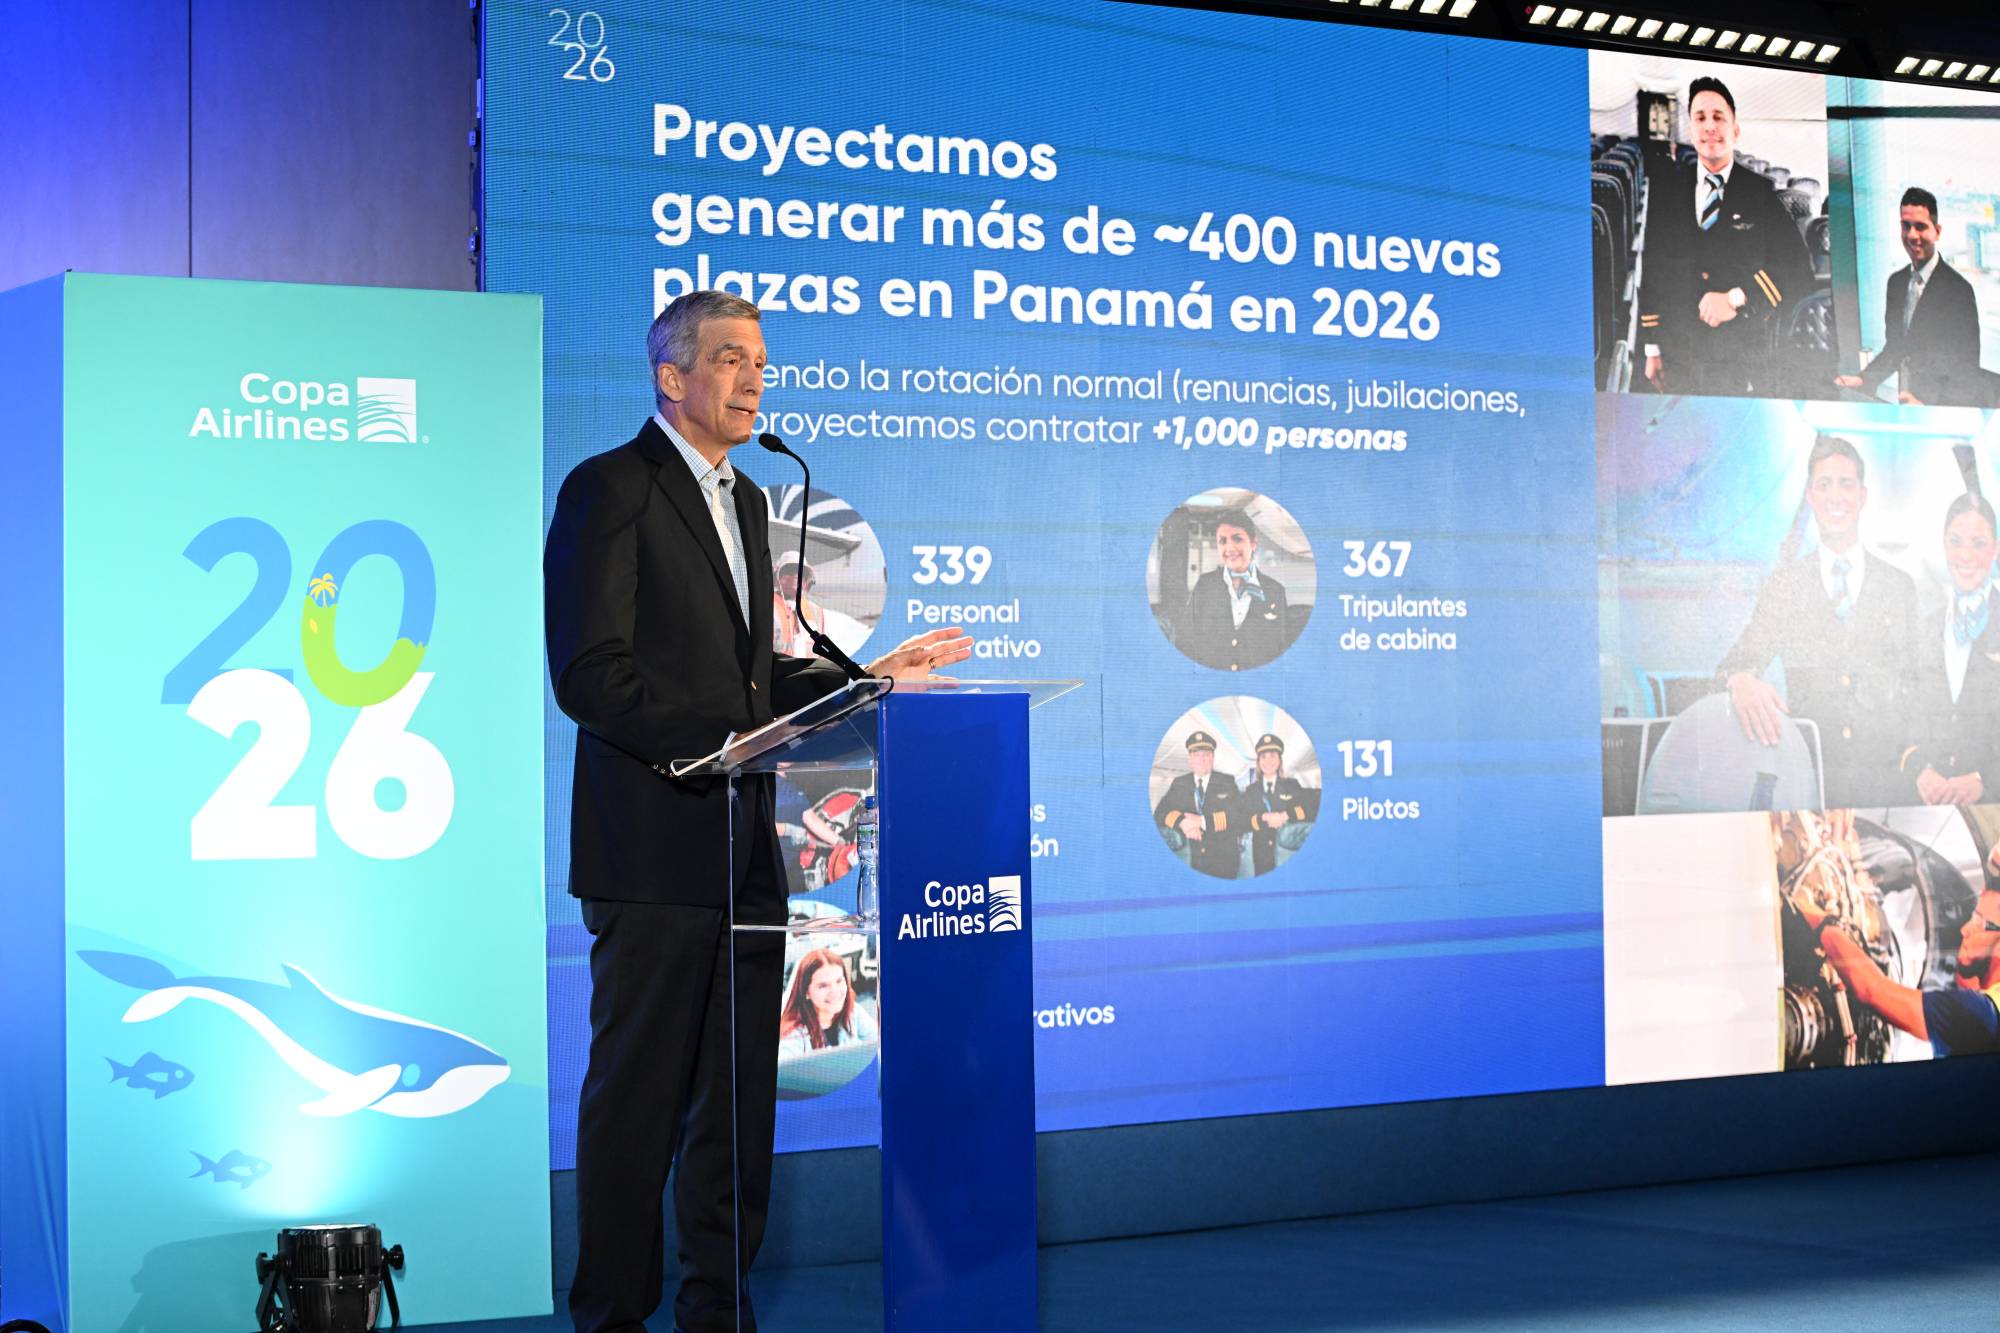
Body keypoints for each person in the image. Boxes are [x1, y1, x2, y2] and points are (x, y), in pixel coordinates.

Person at [544, 289, 970, 1333]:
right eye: (730, 359)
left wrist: (867, 678)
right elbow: (590, 675)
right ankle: (611, 1318)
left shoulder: (745, 502)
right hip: (651, 852)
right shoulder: (610, 488)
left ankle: (717, 1312)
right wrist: (714, 744)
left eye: (760, 362)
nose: (752, 381)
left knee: (734, 1114)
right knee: (636, 1107)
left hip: (744, 854)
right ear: (671, 375)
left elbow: (749, 682)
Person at [1717, 435, 1918, 808]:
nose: (1835, 496)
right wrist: (1740, 679)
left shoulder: (1899, 587)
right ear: (1810, 496)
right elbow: (1736, 661)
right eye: (1824, 485)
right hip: (1811, 788)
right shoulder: (1785, 586)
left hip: (1888, 791)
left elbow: (1917, 691)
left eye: (1846, 484)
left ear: (1863, 496)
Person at [1637, 76, 1814, 397]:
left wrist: (1738, 297)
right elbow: (1654, 268)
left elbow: (1797, 269)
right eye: (1700, 118)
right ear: (1691, 129)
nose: (1710, 127)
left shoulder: (1760, 193)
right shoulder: (1667, 189)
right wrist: (1652, 348)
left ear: (1735, 130)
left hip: (1738, 355)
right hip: (1679, 351)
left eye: (1718, 117)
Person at [1794, 880, 2000, 1058]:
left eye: (1979, 922)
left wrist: (1823, 925)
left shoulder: (1981, 1014)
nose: (1965, 930)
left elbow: (1872, 991)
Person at [1835, 187, 1982, 406]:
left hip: (1937, 411)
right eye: (1906, 226)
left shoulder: (1959, 291)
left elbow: (1967, 369)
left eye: (1920, 226)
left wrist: (1930, 407)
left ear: (1937, 232)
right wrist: (1864, 379)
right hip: (1903, 405)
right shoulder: (1896, 283)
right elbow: (1895, 347)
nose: (1912, 235)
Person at [1898, 491, 2000, 805]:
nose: (1965, 555)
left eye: (1978, 543)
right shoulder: (1927, 627)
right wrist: (1920, 771)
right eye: (1956, 542)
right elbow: (1904, 715)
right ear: (1944, 546)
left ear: (1996, 549)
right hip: (1931, 803)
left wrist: (1986, 781)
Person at [1176, 508, 1293, 672]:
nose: (1229, 548)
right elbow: (1185, 641)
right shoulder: (1205, 585)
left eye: (1237, 539)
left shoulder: (1275, 591)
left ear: (1253, 544)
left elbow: (1281, 649)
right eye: (1222, 541)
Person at [1152, 730, 1243, 879]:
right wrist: (1183, 822)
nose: (1202, 759)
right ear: (1190, 759)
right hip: (1195, 861)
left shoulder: (1227, 781)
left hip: (1224, 861)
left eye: (1206, 754)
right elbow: (1160, 812)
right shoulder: (1180, 783)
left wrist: (1201, 822)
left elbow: (1238, 815)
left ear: (1212, 757)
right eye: (1196, 755)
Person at [1241, 734, 1318, 876]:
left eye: (1272, 756)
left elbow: (1310, 809)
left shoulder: (1292, 785)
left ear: (1279, 760)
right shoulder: (1251, 791)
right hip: (1261, 855)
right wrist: (1263, 818)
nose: (1268, 761)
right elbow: (1242, 821)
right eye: (1263, 757)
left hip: (1287, 853)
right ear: (1258, 762)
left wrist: (1286, 815)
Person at [777, 947, 878, 1055]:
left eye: (839, 981)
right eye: (823, 986)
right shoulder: (792, 1037)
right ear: (806, 992)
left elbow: (879, 1042)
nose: (835, 992)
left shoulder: (853, 1011)